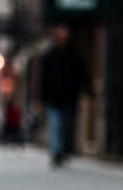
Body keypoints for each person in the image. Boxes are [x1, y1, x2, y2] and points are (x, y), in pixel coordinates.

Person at [36, 25, 88, 167]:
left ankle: (63, 151)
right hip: (53, 98)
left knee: (68, 127)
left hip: (70, 97)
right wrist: (40, 98)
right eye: (60, 33)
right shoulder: (49, 55)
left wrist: (88, 92)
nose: (63, 36)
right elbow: (42, 79)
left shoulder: (74, 54)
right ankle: (57, 153)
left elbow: (82, 74)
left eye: (65, 33)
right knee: (57, 125)